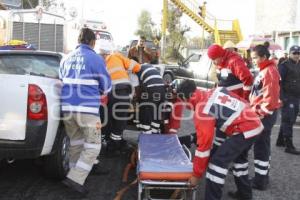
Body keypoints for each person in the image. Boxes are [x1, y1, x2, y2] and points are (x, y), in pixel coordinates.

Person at [170, 80, 263, 200]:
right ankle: (245, 194)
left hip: (243, 130)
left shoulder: (202, 110)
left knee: (216, 164)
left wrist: (196, 174)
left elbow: (203, 148)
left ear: (185, 98)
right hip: (254, 123)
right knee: (240, 162)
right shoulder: (216, 91)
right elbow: (242, 102)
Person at [59, 28, 112, 195]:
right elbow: (107, 86)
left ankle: (74, 176)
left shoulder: (66, 58)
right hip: (87, 110)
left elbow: (62, 79)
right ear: (92, 42)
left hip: (67, 108)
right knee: (93, 146)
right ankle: (75, 179)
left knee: (75, 143)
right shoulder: (95, 59)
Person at [96, 41, 141, 155]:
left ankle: (106, 145)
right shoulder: (117, 56)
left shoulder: (98, 61)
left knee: (108, 120)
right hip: (122, 93)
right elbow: (137, 67)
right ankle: (114, 146)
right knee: (120, 120)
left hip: (108, 94)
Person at [207, 44, 254, 150]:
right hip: (225, 102)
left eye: (214, 59)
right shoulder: (222, 63)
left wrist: (245, 99)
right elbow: (223, 81)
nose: (214, 62)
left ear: (220, 55)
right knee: (221, 126)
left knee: (231, 128)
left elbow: (248, 79)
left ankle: (228, 153)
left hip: (235, 102)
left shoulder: (234, 61)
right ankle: (218, 149)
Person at [249, 44, 281, 190]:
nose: (253, 60)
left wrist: (259, 115)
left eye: (255, 58)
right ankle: (263, 177)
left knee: (261, 147)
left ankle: (260, 181)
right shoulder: (266, 70)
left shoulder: (269, 71)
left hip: (263, 116)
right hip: (263, 115)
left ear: (263, 57)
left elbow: (269, 101)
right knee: (263, 146)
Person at [276, 45, 300, 155]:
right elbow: (278, 82)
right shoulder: (284, 66)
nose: (296, 55)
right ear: (290, 53)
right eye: (294, 53)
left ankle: (280, 140)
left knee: (290, 118)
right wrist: (282, 97)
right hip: (287, 96)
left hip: (296, 97)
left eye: (298, 53)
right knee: (288, 120)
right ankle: (289, 145)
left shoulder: (299, 64)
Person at [136, 64, 166, 134]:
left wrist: (138, 99)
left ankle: (147, 134)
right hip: (162, 89)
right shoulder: (148, 66)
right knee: (156, 111)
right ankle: (154, 133)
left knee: (146, 110)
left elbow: (137, 88)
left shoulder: (135, 69)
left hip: (152, 88)